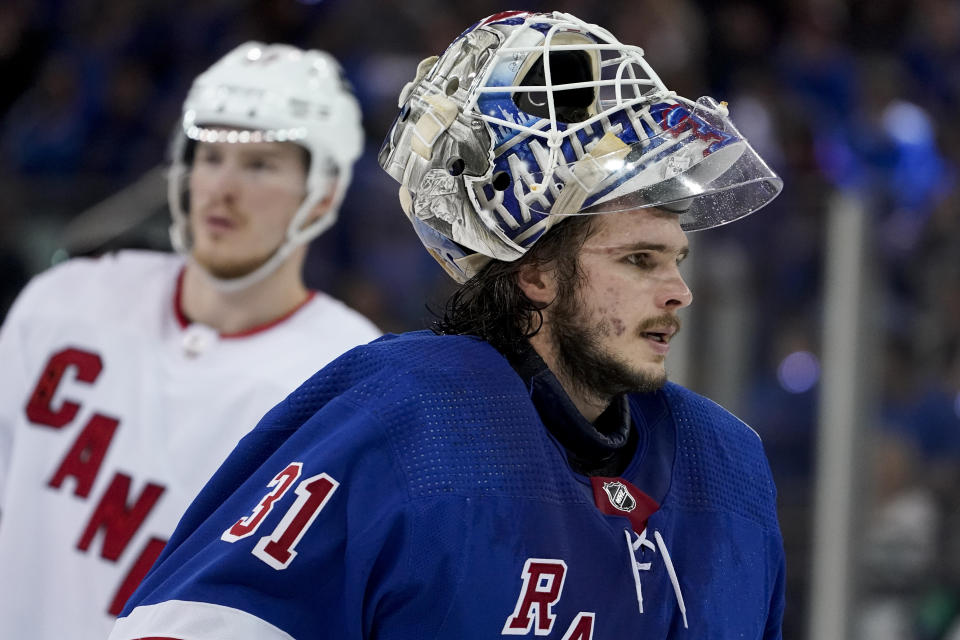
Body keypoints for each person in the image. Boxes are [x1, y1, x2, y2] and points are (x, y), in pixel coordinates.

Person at [110, 11, 786, 639]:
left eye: (676, 260)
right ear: (536, 271)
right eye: (639, 260)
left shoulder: (726, 467)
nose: (679, 293)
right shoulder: (410, 417)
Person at [0, 42, 380, 640]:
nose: (221, 188)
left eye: (260, 164)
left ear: (325, 193)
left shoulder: (353, 380)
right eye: (209, 155)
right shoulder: (61, 303)